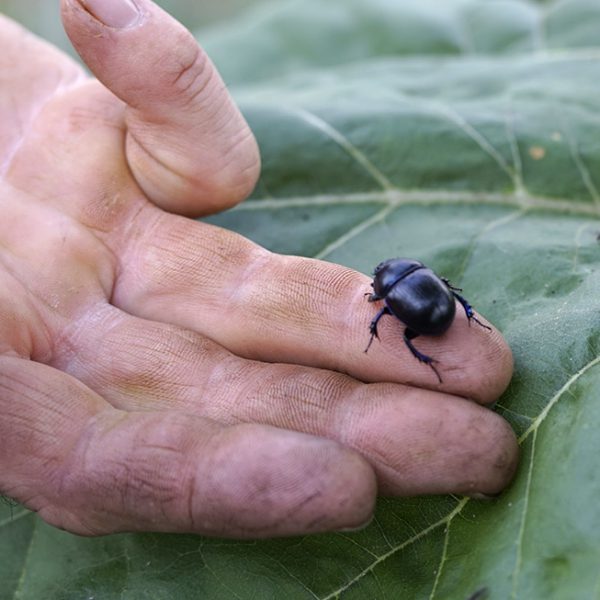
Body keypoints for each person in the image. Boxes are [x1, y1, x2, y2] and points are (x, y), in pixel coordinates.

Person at [0, 0, 518, 538]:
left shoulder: (384, 297)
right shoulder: (408, 286)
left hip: (425, 312)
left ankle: (449, 345)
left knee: (399, 337)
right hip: (434, 308)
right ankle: (461, 333)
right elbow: (440, 297)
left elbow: (384, 311)